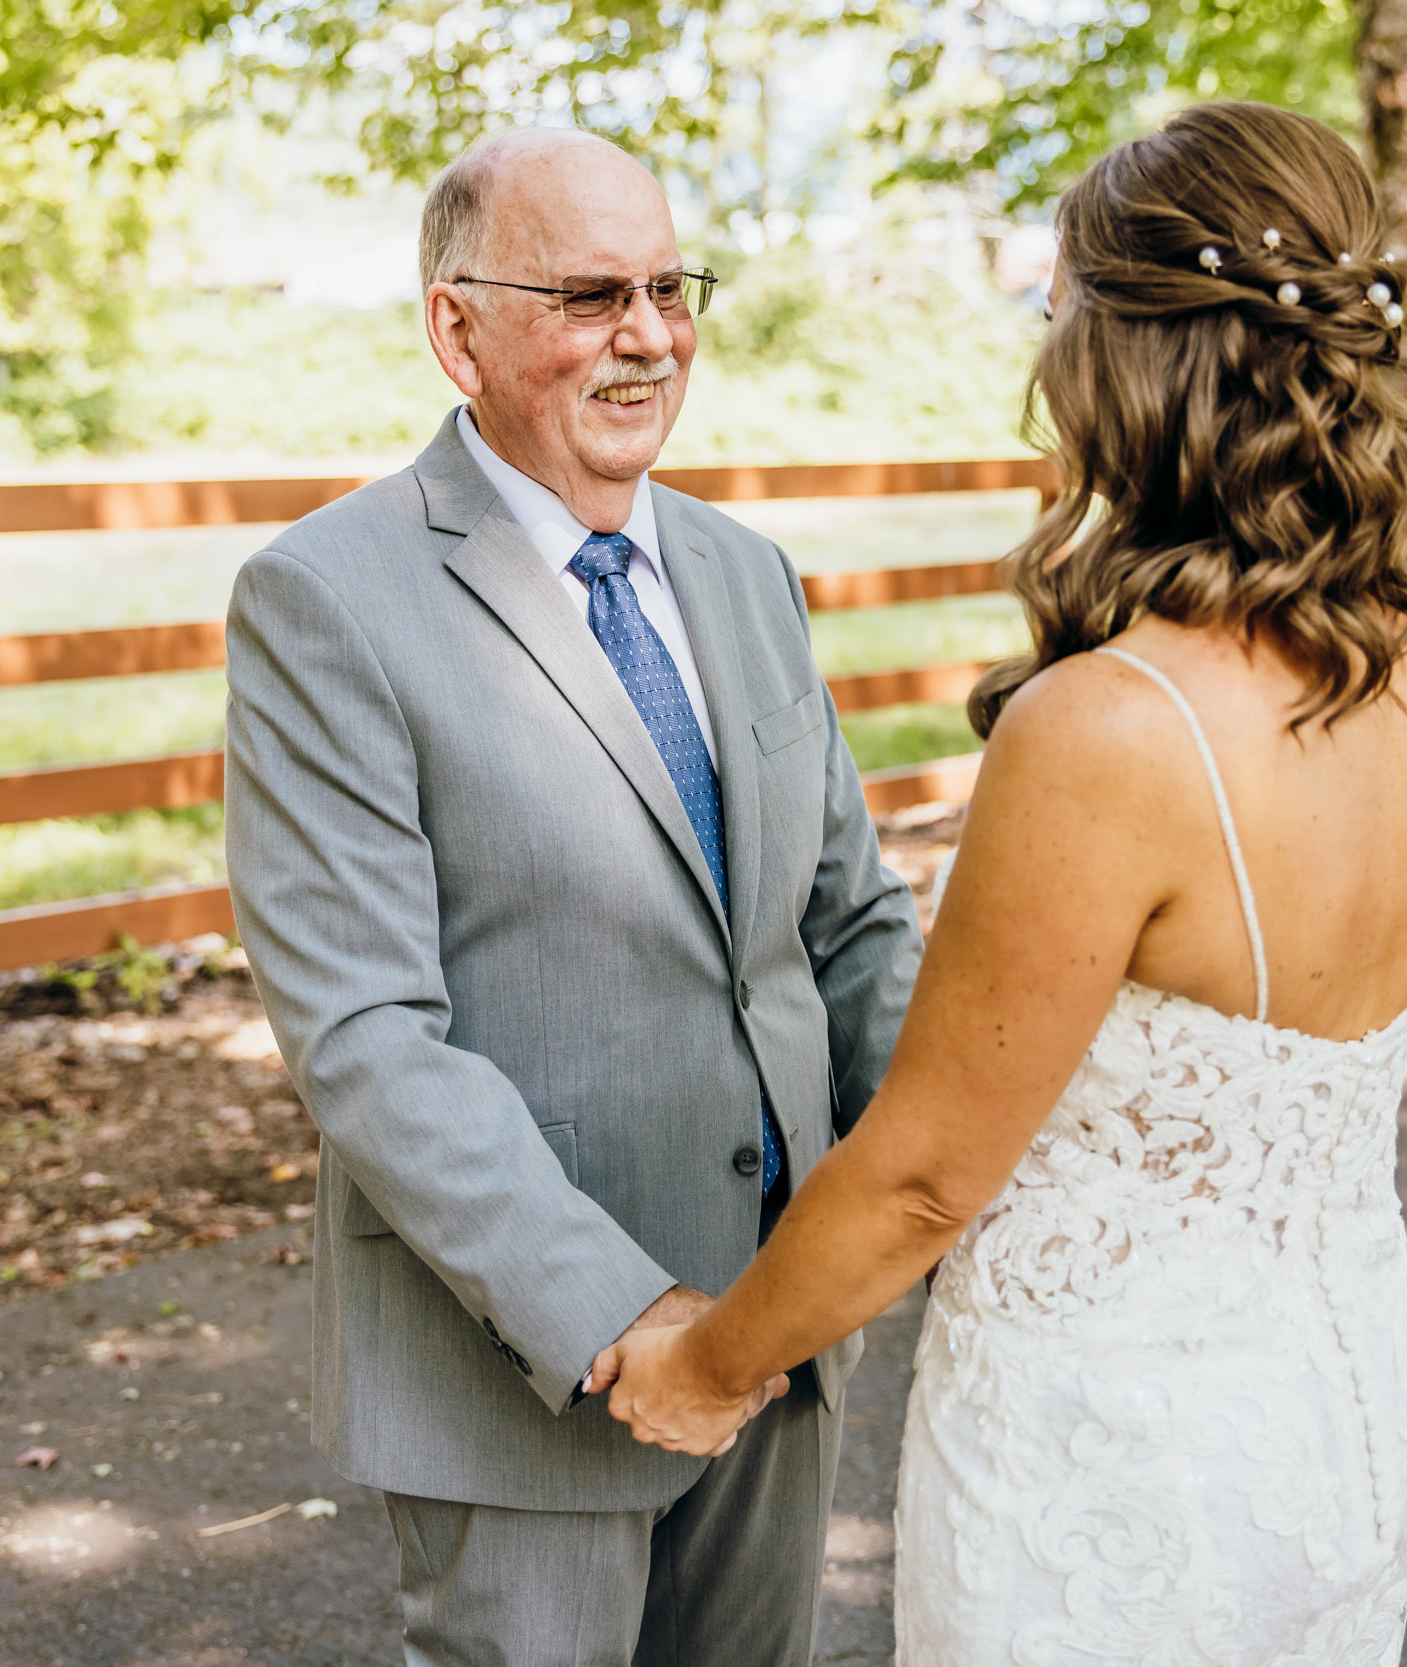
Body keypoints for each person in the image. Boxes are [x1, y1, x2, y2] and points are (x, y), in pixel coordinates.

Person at [596, 101, 1407, 1664]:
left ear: (1127, 351)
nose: (1044, 353)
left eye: (1056, 307)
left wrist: (711, 1364)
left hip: (1119, 1463)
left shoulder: (1110, 728)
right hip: (1345, 1404)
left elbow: (930, 1172)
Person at [221, 128, 923, 1666]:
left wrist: (953, 1180)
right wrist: (625, 1319)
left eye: (675, 288)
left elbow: (850, 926)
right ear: (455, 328)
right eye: (594, 295)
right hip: (525, 1369)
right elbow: (363, 1036)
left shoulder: (747, 572)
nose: (653, 338)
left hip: (780, 1337)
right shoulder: (325, 597)